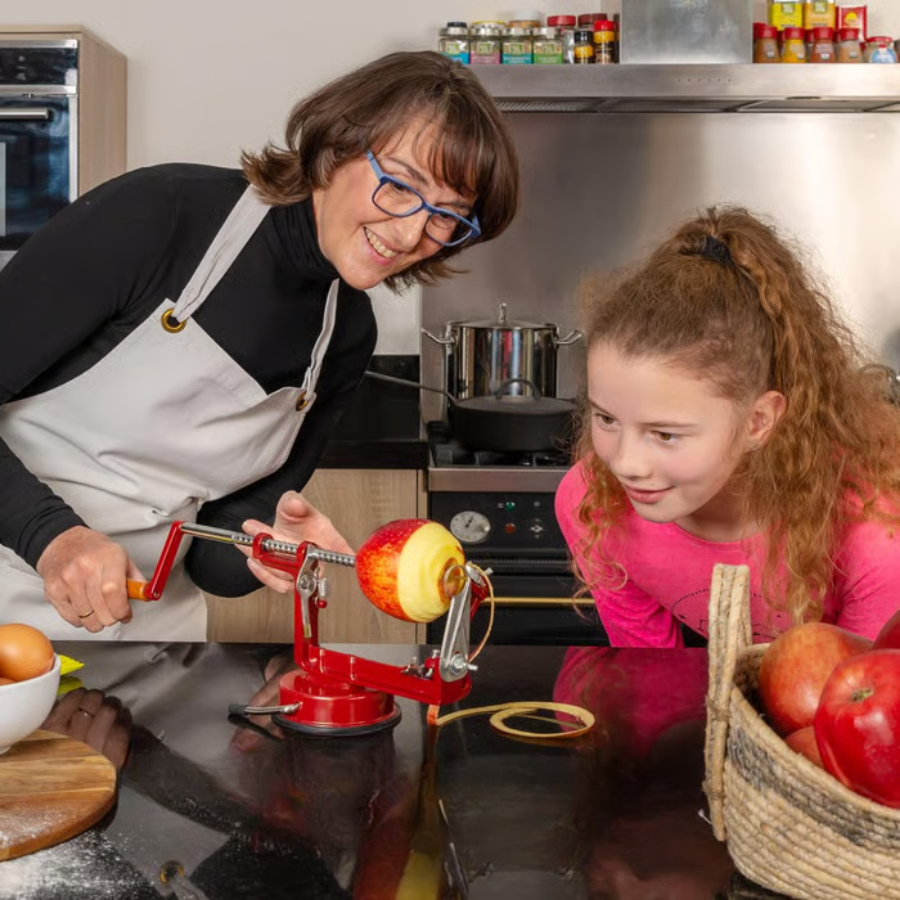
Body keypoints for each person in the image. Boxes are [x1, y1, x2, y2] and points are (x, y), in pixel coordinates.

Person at [0, 51, 519, 640]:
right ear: (334, 147)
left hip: (151, 636)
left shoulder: (346, 336)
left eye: (447, 216)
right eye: (400, 184)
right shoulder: (160, 215)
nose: (409, 234)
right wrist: (51, 536)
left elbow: (213, 560)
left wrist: (263, 547)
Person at [556, 205, 900, 647]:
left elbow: (865, 699)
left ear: (758, 421)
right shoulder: (591, 504)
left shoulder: (877, 532)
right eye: (606, 418)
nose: (625, 463)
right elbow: (652, 681)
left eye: (665, 433)